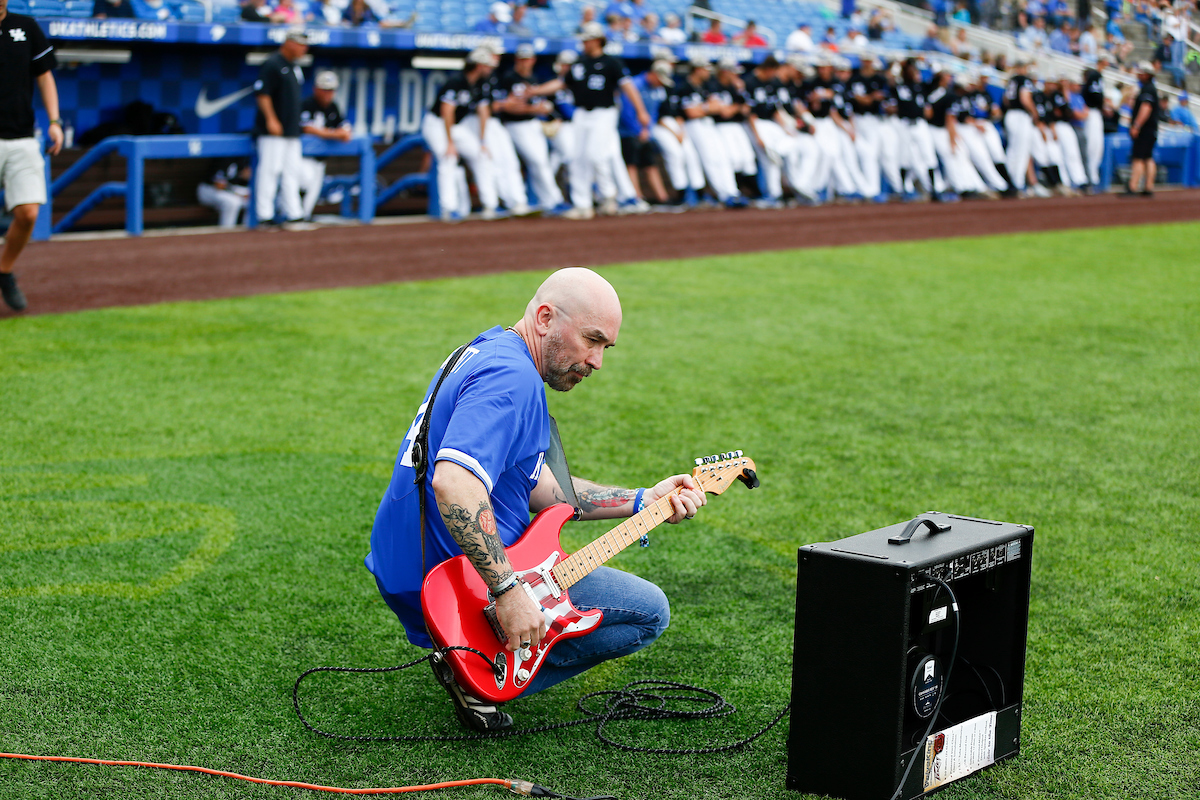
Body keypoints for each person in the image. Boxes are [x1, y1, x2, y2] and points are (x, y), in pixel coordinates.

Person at [365, 267, 707, 731]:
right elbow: (454, 483)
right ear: (545, 317)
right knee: (649, 612)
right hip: (462, 586)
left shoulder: (488, 351)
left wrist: (644, 499)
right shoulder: (512, 380)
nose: (598, 361)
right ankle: (480, 678)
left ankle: (474, 663)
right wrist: (508, 593)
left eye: (606, 347)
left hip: (410, 570)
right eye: (592, 340)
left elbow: (545, 490)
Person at [529, 22, 650, 219]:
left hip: (604, 113)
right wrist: (535, 90)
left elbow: (628, 88)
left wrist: (641, 111)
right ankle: (582, 204)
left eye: (586, 39)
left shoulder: (612, 63)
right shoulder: (580, 62)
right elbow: (561, 83)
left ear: (596, 40)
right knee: (577, 158)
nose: (583, 43)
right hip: (581, 113)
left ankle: (609, 195)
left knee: (596, 155)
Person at [1, 0, 62, 313]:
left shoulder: (25, 26)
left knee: (28, 214)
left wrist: (54, 121)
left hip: (21, 136)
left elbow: (45, 75)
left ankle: (4, 271)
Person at [421, 47, 499, 221]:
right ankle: (448, 209)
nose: (491, 68)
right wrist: (450, 143)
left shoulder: (481, 84)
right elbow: (446, 111)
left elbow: (484, 111)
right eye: (488, 65)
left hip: (456, 125)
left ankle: (490, 205)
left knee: (481, 154)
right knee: (448, 158)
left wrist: (483, 141)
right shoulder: (456, 81)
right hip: (437, 124)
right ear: (478, 65)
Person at [493, 43, 569, 213]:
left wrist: (543, 110)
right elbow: (506, 106)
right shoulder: (509, 79)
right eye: (521, 59)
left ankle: (549, 201)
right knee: (534, 162)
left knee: (540, 163)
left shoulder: (533, 79)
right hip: (515, 124)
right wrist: (534, 109)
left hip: (532, 124)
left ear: (533, 60)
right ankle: (548, 200)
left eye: (527, 59)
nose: (524, 63)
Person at [253, 28, 308, 229]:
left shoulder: (294, 66)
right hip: (273, 132)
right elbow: (262, 93)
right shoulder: (272, 63)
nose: (304, 48)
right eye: (301, 44)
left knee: (291, 172)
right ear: (289, 42)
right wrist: (271, 119)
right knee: (270, 171)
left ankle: (294, 214)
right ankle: (264, 216)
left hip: (292, 130)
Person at [298, 70, 352, 221]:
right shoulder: (307, 104)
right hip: (302, 158)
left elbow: (346, 131)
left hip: (320, 160)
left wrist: (328, 133)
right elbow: (308, 128)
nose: (328, 94)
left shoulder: (333, 107)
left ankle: (303, 220)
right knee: (305, 182)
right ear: (316, 89)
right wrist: (334, 134)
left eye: (331, 90)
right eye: (325, 90)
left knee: (312, 195)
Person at [1124, 61, 1159, 197]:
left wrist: (1136, 125)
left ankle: (1133, 186)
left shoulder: (1147, 89)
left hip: (1145, 129)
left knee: (1138, 157)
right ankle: (1148, 187)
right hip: (1151, 129)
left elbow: (1146, 108)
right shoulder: (1151, 88)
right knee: (1148, 157)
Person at [197, 159, 251, 228]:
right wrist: (239, 194)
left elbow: (243, 179)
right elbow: (219, 185)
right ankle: (227, 230)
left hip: (231, 190)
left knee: (251, 200)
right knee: (233, 202)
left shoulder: (243, 158)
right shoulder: (223, 159)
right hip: (209, 189)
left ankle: (247, 230)